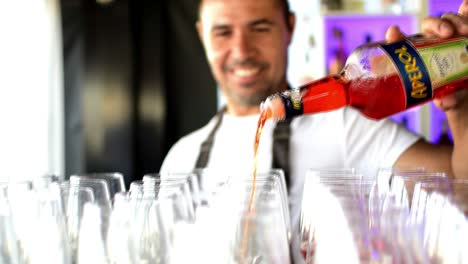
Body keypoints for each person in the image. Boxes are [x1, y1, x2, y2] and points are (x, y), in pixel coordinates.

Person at [160, 0, 468, 261]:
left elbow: (459, 189)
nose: (242, 50)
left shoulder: (348, 126)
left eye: (260, 28)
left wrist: (462, 114)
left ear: (290, 28)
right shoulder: (180, 158)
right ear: (202, 35)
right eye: (223, 32)